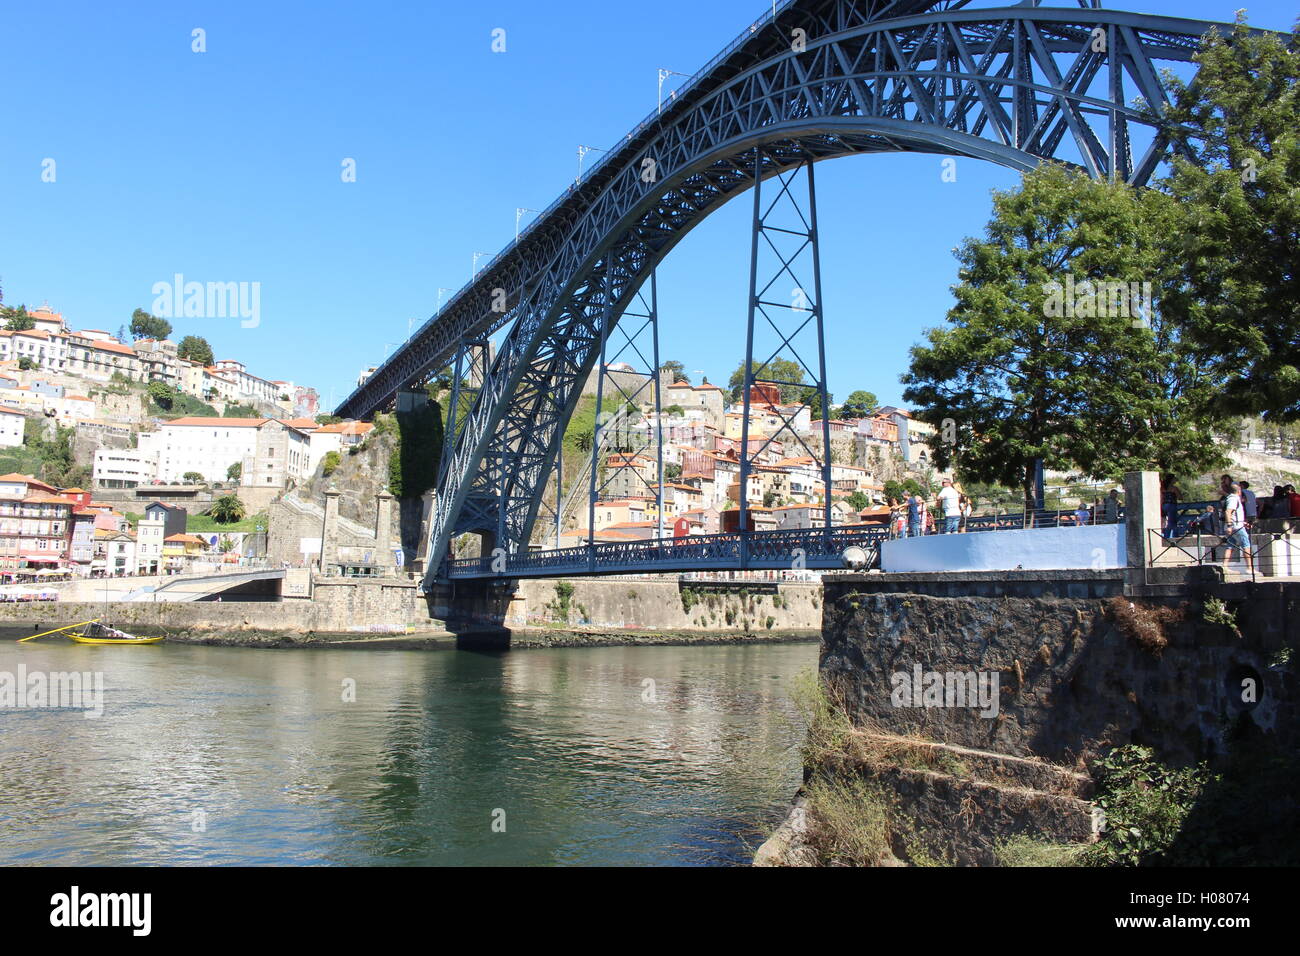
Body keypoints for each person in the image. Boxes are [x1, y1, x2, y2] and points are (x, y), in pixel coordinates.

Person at [1223, 481, 1254, 575]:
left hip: (1235, 526)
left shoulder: (1231, 498)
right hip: (1236, 527)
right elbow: (1228, 512)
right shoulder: (1234, 499)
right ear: (1239, 491)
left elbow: (1234, 514)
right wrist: (1229, 525)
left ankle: (1225, 566)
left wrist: (1242, 522)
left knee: (1230, 546)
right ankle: (1249, 568)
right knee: (1246, 545)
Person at [1160, 474, 1181, 538]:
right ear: (1171, 480)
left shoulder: (1162, 488)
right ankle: (1173, 537)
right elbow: (1180, 497)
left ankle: (1167, 536)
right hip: (1171, 505)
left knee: (1168, 522)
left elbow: (1161, 497)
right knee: (1172, 522)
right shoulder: (1174, 488)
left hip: (1164, 505)